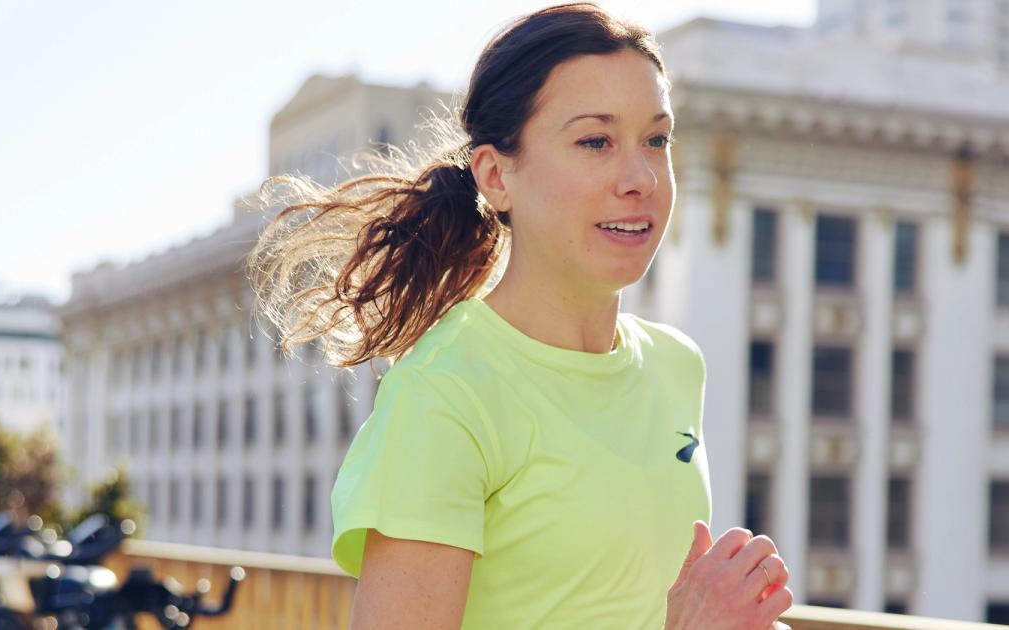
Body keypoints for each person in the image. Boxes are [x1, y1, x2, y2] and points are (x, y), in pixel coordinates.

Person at [246, 3, 793, 628]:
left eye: (656, 140)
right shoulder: (445, 393)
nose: (640, 177)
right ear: (496, 175)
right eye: (595, 141)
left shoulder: (676, 365)